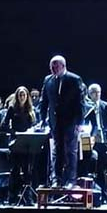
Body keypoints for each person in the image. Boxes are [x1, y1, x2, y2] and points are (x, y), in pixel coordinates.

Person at [39, 55, 86, 188]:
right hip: (55, 122)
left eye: (56, 66)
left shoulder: (74, 79)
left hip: (70, 121)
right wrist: (42, 119)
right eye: (51, 67)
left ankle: (71, 180)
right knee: (57, 151)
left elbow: (80, 102)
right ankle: (56, 179)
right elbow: (44, 101)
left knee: (71, 150)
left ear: (63, 66)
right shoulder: (48, 80)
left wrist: (80, 122)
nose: (53, 69)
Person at [84, 83, 107, 196]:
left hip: (102, 139)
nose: (97, 94)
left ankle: (103, 193)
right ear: (89, 94)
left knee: (101, 167)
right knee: (87, 163)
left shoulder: (105, 105)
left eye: (99, 92)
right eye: (94, 92)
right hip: (87, 137)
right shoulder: (86, 106)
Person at [4, 86, 37, 199]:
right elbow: (4, 125)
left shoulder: (31, 109)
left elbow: (34, 124)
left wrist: (32, 131)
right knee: (15, 169)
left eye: (24, 95)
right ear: (17, 96)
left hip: (27, 141)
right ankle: (12, 196)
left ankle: (27, 196)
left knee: (28, 170)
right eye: (20, 95)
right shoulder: (12, 108)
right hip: (15, 141)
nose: (22, 97)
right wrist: (14, 133)